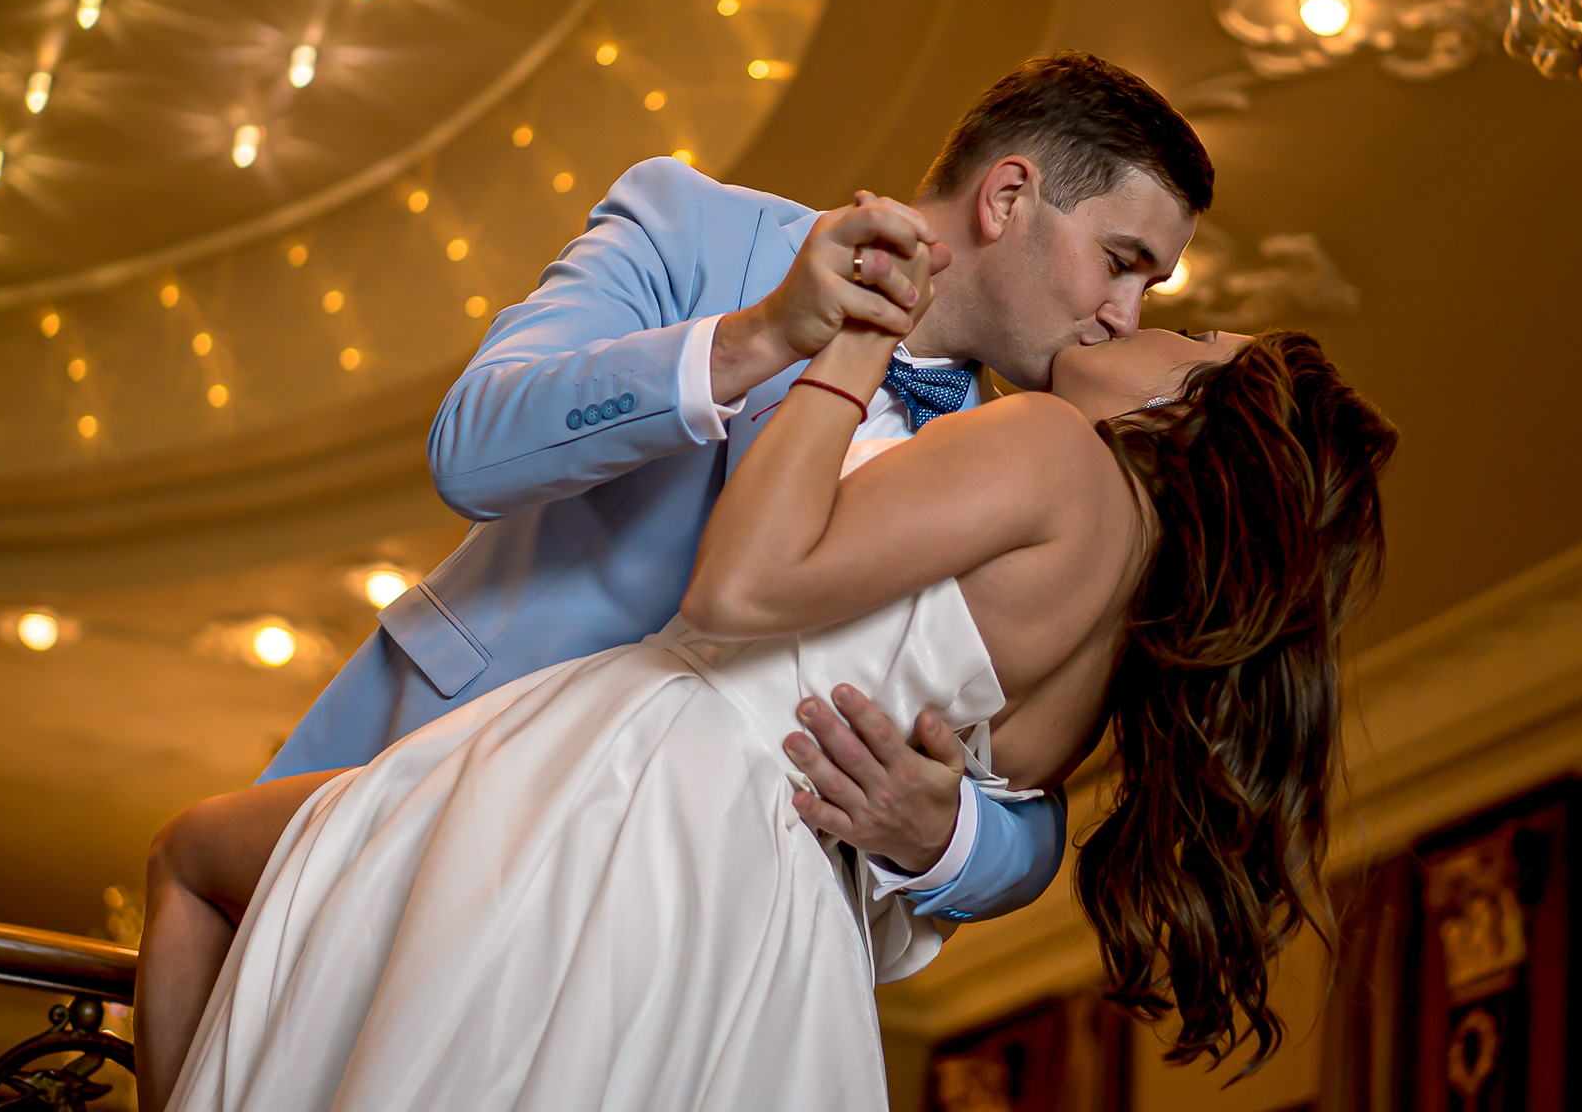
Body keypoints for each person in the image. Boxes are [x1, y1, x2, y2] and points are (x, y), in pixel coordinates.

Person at [146, 305, 1396, 1112]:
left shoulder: (1056, 449)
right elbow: (975, 789)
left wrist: (852, 341)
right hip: (777, 913)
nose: (1142, 315)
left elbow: (739, 587)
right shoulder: (1119, 631)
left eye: (1193, 330)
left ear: (1197, 403)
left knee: (201, 858)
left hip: (634, 791)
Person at [243, 57, 1207, 958]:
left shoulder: (1015, 465)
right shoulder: (693, 225)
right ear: (1006, 197)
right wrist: (758, 338)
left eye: (1147, 285)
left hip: (661, 921)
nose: (1126, 315)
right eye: (1120, 261)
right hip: (414, 771)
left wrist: (945, 835)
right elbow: (474, 446)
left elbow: (1031, 811)